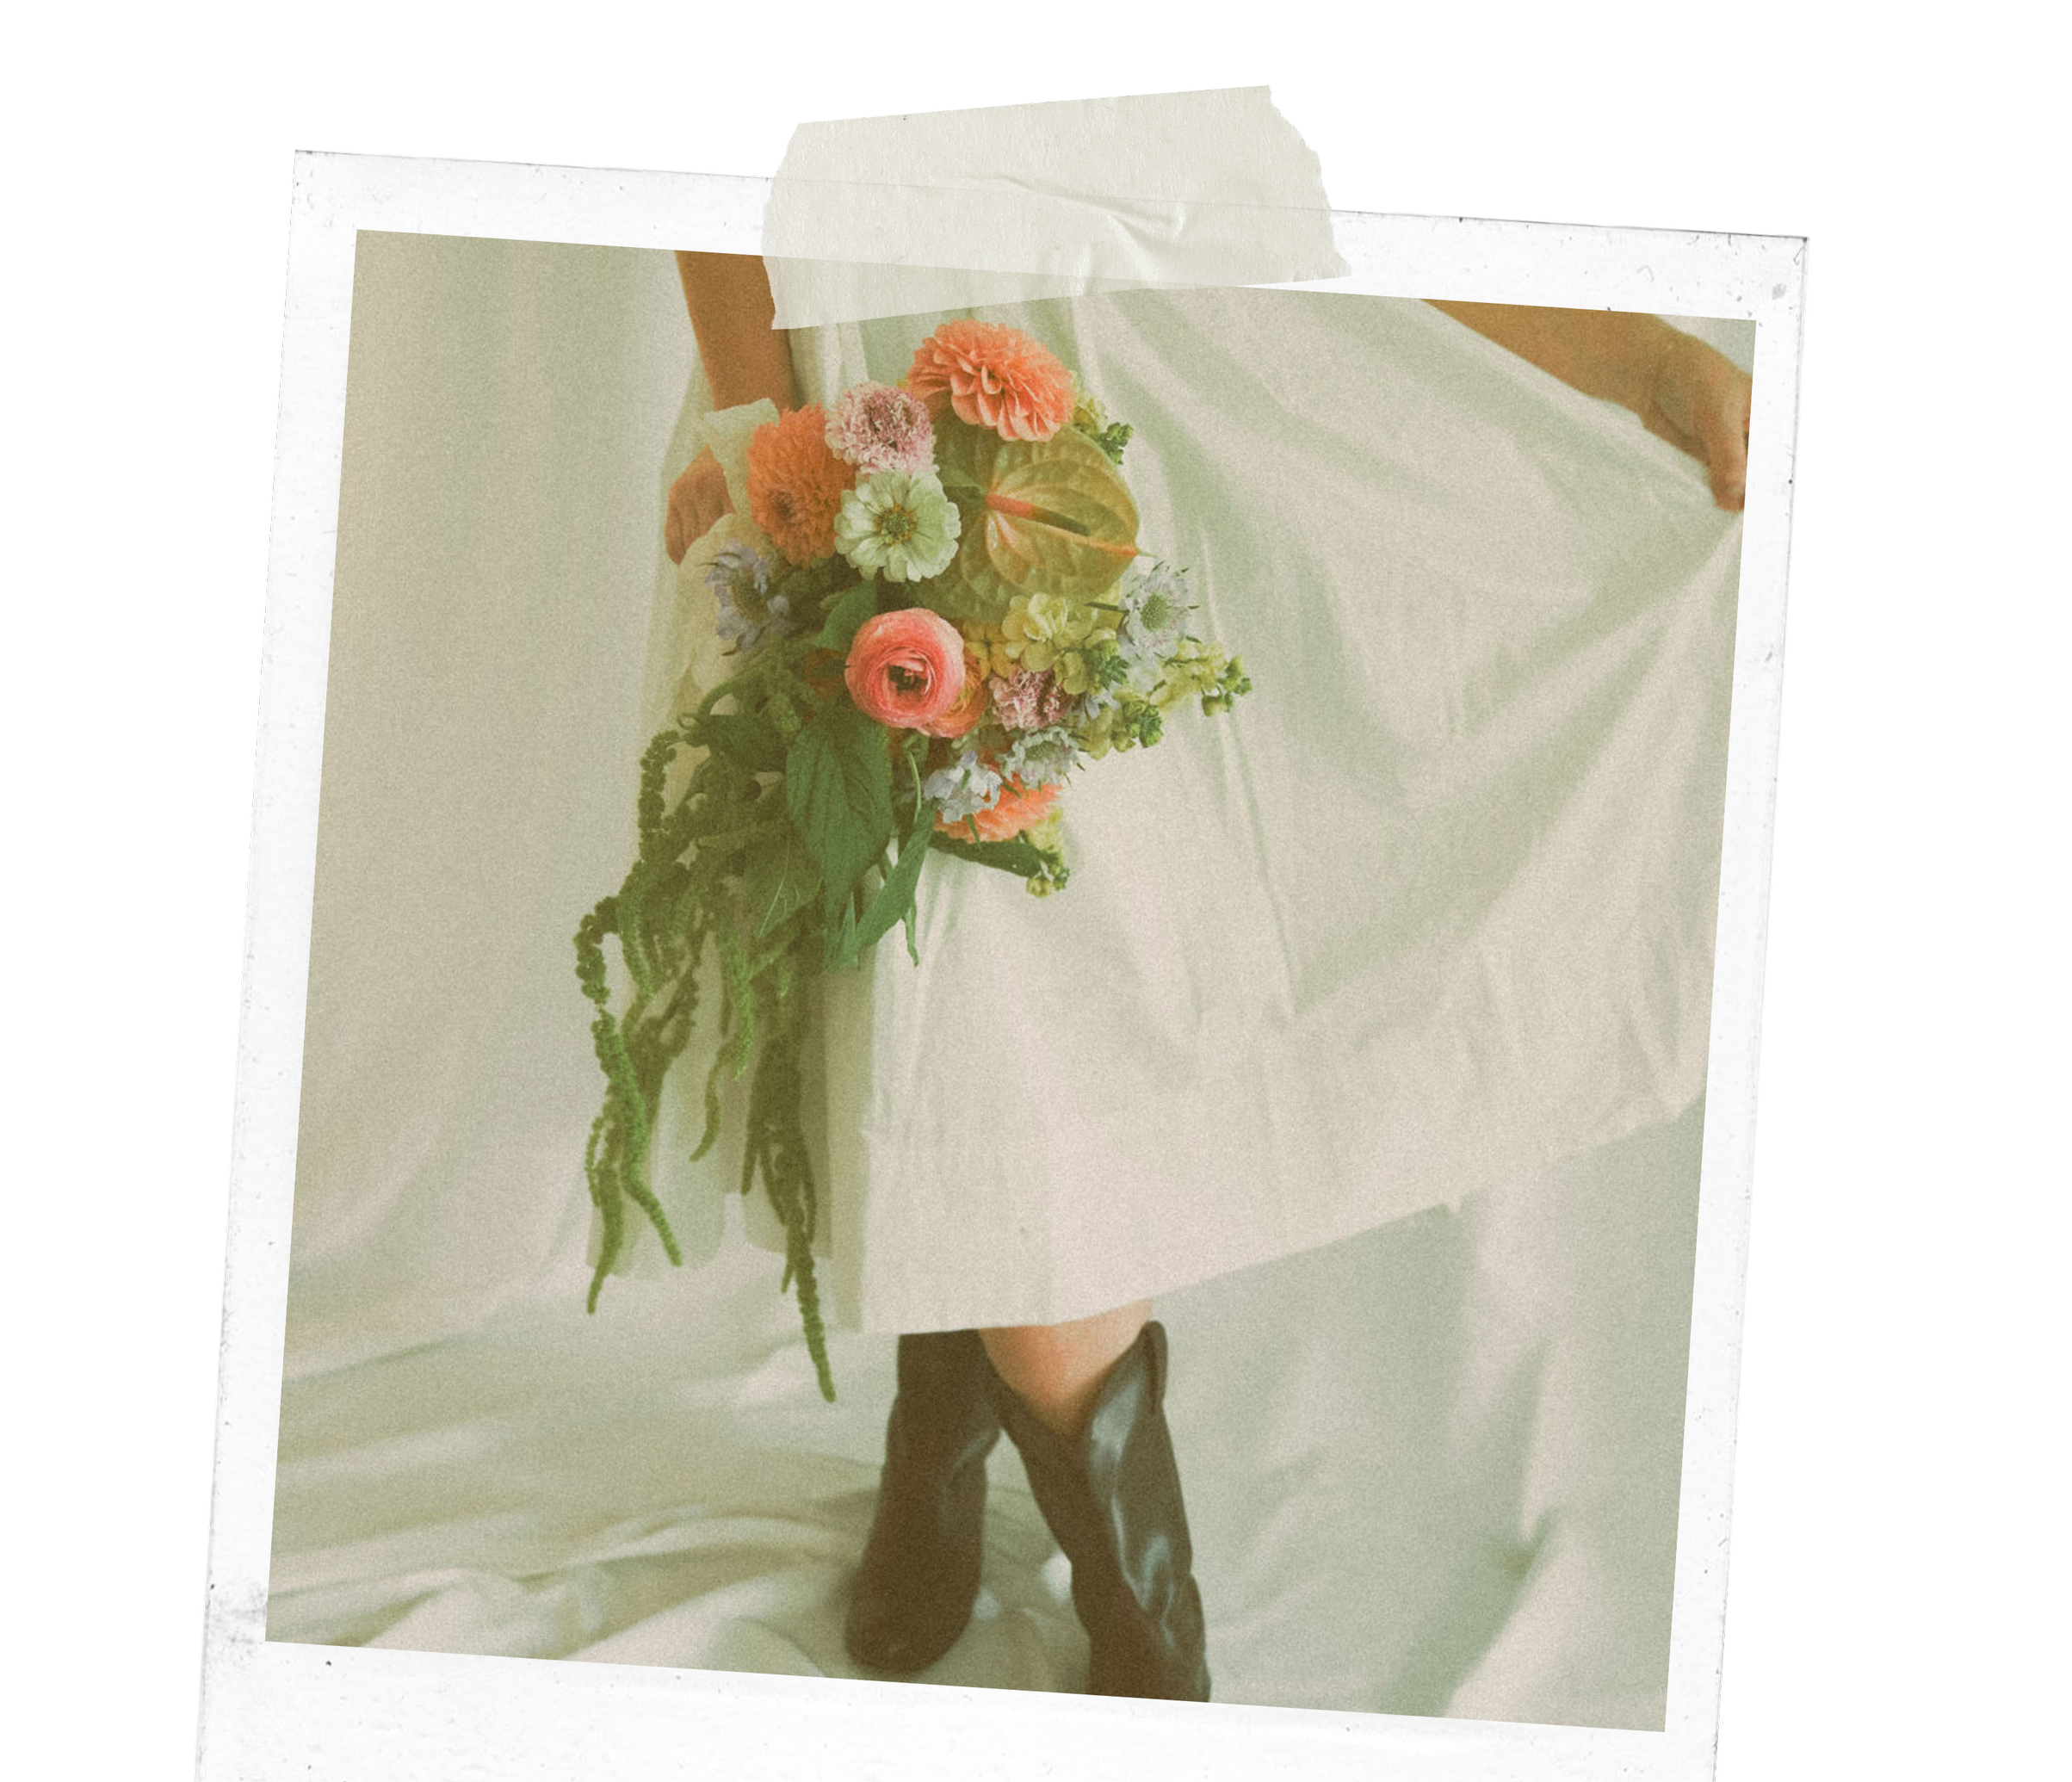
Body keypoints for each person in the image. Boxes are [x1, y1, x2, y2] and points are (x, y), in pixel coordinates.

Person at [659, 251, 1753, 1705]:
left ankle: (988, 1456)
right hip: (870, 396)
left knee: (1039, 1009)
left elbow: (1296, 185)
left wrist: (1629, 355)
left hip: (1159, 388)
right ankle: (1071, 1548)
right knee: (948, 982)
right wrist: (755, 422)